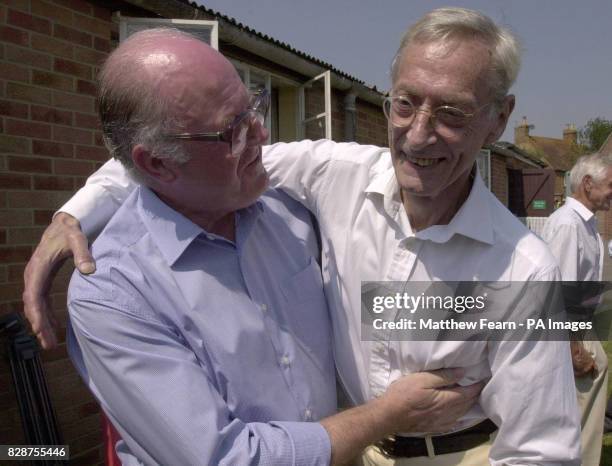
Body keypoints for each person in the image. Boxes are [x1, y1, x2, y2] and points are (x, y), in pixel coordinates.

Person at [23, 8, 581, 465]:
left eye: (453, 112)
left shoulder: (525, 269)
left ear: (499, 119)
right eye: (405, 103)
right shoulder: (328, 180)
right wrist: (74, 213)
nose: (417, 133)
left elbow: (542, 451)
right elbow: (161, 154)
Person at [541, 152, 612, 466]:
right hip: (570, 330)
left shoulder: (585, 225)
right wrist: (572, 349)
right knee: (577, 409)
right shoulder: (569, 226)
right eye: (610, 184)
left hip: (582, 325)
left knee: (589, 394)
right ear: (588, 183)